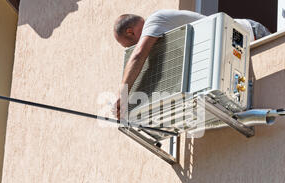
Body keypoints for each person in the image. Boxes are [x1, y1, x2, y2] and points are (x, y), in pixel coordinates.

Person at [112, 9, 271, 119]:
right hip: (238, 53)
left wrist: (122, 94)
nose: (132, 49)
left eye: (129, 45)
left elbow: (138, 55)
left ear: (130, 32)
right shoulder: (163, 44)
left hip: (249, 35)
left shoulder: (155, 20)